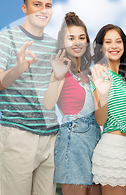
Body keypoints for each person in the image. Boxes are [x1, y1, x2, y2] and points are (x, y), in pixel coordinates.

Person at [0, 0, 58, 195]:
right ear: (24, 8)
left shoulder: (55, 46)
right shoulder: (4, 39)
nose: (43, 10)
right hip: (18, 135)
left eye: (48, 5)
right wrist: (18, 69)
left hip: (51, 137)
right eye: (37, 4)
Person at [43, 12, 101, 195]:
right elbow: (48, 103)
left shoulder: (89, 73)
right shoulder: (61, 70)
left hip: (95, 139)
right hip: (72, 139)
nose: (77, 42)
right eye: (71, 38)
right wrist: (57, 76)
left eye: (81, 38)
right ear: (63, 42)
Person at [90, 24, 126, 195]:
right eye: (108, 42)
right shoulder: (99, 75)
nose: (114, 46)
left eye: (118, 41)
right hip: (113, 150)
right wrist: (103, 94)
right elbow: (100, 120)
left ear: (124, 45)